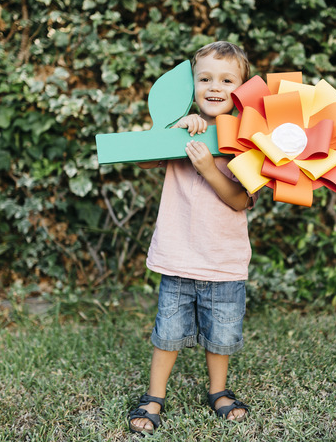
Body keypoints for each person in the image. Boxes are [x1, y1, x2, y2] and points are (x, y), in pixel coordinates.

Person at [128, 41, 256, 435]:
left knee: (221, 337)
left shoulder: (250, 140)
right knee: (167, 334)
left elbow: (239, 199)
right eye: (205, 79)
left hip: (223, 259)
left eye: (226, 79)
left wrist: (208, 167)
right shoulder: (184, 129)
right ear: (192, 85)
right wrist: (171, 128)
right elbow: (143, 156)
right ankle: (154, 397)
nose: (214, 86)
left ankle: (218, 392)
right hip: (178, 256)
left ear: (242, 88)